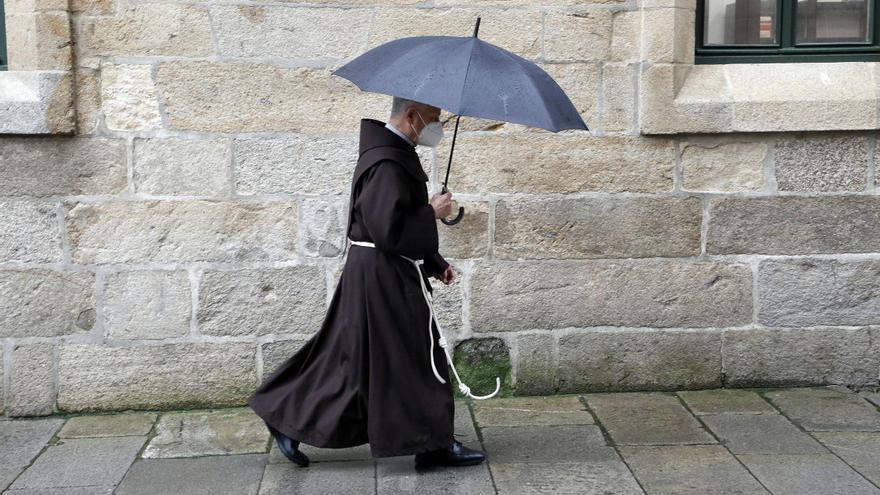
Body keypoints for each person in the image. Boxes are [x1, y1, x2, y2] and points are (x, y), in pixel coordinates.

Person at [246, 96, 487, 468]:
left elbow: (391, 222)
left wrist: (434, 261)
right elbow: (387, 231)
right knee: (417, 355)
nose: (438, 124)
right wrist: (431, 212)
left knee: (353, 360)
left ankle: (288, 419)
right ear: (411, 115)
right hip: (382, 276)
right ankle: (433, 444)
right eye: (434, 117)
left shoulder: (393, 154)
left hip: (380, 271)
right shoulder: (386, 163)